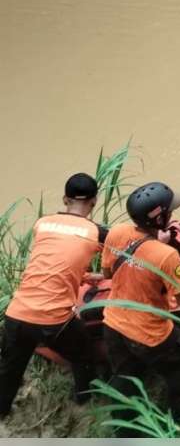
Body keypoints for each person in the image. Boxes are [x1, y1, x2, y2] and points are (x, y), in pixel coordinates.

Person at [99, 182, 180, 435]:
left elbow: (106, 272)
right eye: (169, 211)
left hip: (113, 323)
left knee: (124, 379)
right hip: (149, 333)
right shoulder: (165, 255)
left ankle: (126, 432)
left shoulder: (117, 232)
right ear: (160, 218)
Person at [0, 173, 106, 417]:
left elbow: (54, 260)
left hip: (16, 314)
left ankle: (2, 412)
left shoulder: (42, 223)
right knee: (83, 356)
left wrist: (81, 276)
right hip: (53, 321)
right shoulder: (94, 231)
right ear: (94, 201)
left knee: (10, 371)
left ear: (64, 199)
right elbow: (124, 245)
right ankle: (83, 402)